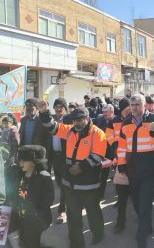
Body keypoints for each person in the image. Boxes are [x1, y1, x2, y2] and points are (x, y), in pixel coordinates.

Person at [38, 103, 106, 248]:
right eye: (75, 120)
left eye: (80, 120)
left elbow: (98, 156)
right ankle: (76, 243)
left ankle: (98, 234)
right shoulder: (70, 130)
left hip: (89, 185)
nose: (77, 123)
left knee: (93, 213)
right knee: (73, 217)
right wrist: (44, 112)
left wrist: (81, 167)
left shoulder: (98, 133)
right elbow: (52, 127)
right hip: (71, 184)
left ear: (87, 118)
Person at [117, 94, 154, 248]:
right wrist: (121, 164)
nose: (134, 107)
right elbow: (122, 146)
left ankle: (141, 235)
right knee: (137, 202)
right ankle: (147, 225)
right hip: (133, 170)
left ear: (145, 105)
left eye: (137, 104)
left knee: (145, 204)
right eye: (132, 104)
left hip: (150, 170)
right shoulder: (125, 122)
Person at [12, 145, 54, 248]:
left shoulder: (43, 177)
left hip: (35, 221)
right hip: (21, 218)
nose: (21, 163)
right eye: (20, 160)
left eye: (24, 160)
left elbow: (47, 200)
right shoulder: (20, 175)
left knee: (32, 243)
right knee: (22, 241)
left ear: (35, 161)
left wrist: (35, 215)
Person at [105, 97, 131, 234]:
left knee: (136, 196)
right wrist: (116, 152)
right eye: (128, 108)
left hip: (135, 164)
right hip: (120, 160)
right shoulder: (113, 122)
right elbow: (109, 137)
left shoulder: (136, 120)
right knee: (121, 196)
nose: (131, 110)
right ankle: (120, 222)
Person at [50, 98, 72, 224]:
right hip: (54, 156)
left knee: (64, 184)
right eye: (56, 106)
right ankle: (67, 204)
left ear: (65, 108)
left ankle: (62, 210)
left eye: (61, 107)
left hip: (66, 157)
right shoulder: (51, 120)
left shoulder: (70, 120)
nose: (59, 109)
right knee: (59, 183)